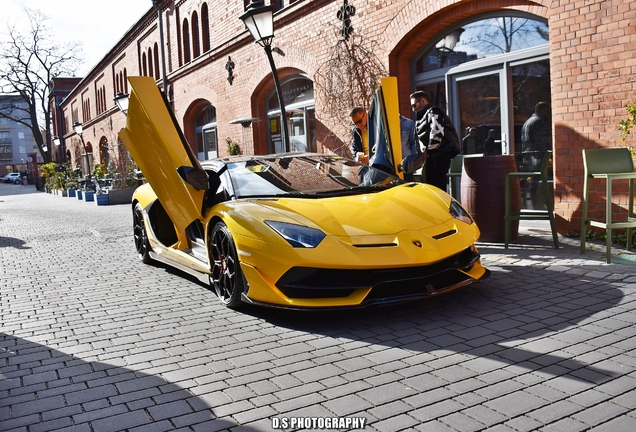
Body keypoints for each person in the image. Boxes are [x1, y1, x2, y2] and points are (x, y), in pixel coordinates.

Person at [405, 90, 460, 190]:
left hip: (438, 157)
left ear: (423, 101)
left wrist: (427, 153)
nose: (413, 110)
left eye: (414, 105)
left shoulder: (434, 111)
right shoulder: (423, 117)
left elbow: (437, 133)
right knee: (432, 188)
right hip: (432, 158)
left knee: (436, 189)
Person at [521, 102, 552, 171]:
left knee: (532, 178)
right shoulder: (539, 122)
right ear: (542, 110)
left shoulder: (528, 121)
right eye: (547, 111)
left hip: (528, 155)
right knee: (539, 177)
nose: (548, 114)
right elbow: (542, 140)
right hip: (537, 156)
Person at [399, 114, 417, 181]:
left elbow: (414, 142)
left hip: (407, 163)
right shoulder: (386, 124)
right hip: (392, 164)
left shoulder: (409, 123)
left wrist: (413, 160)